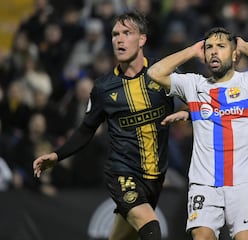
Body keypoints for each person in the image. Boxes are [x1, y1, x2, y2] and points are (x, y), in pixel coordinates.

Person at [33, 12, 188, 240]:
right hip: (122, 173)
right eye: (115, 34)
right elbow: (86, 129)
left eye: (127, 33)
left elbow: (200, 100)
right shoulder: (104, 88)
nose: (119, 39)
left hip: (155, 177)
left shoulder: (161, 74)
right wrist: (57, 156)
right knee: (151, 228)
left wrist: (187, 112)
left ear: (142, 39)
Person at [148, 27, 248, 240]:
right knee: (202, 236)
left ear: (234, 54)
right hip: (204, 182)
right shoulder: (194, 85)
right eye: (209, 47)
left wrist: (242, 45)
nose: (213, 52)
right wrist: (191, 51)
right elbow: (154, 73)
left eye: (221, 47)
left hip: (243, 182)